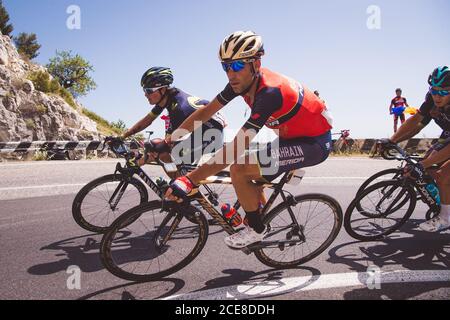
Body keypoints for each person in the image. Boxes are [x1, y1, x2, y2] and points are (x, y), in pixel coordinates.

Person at [164, 31, 333, 249]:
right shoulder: (241, 83)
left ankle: (256, 229)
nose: (230, 74)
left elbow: (237, 146)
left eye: (237, 66)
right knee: (248, 168)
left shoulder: (270, 92)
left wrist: (190, 180)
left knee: (239, 168)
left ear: (256, 63)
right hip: (290, 138)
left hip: (314, 143)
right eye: (225, 67)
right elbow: (206, 112)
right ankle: (260, 214)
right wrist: (172, 137)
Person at [380, 66, 450, 232]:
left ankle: (446, 217)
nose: (437, 96)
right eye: (434, 90)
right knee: (428, 163)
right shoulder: (431, 100)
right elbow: (415, 121)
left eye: (443, 92)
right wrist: (392, 140)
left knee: (443, 176)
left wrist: (423, 165)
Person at [121, 67, 226, 168]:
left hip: (211, 135)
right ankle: (180, 181)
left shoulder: (179, 109)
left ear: (162, 89)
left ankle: (182, 184)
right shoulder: (168, 99)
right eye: (144, 90)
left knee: (164, 152)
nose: (145, 94)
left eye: (148, 91)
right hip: (200, 129)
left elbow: (168, 143)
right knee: (161, 150)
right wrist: (122, 136)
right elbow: (147, 120)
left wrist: (139, 161)